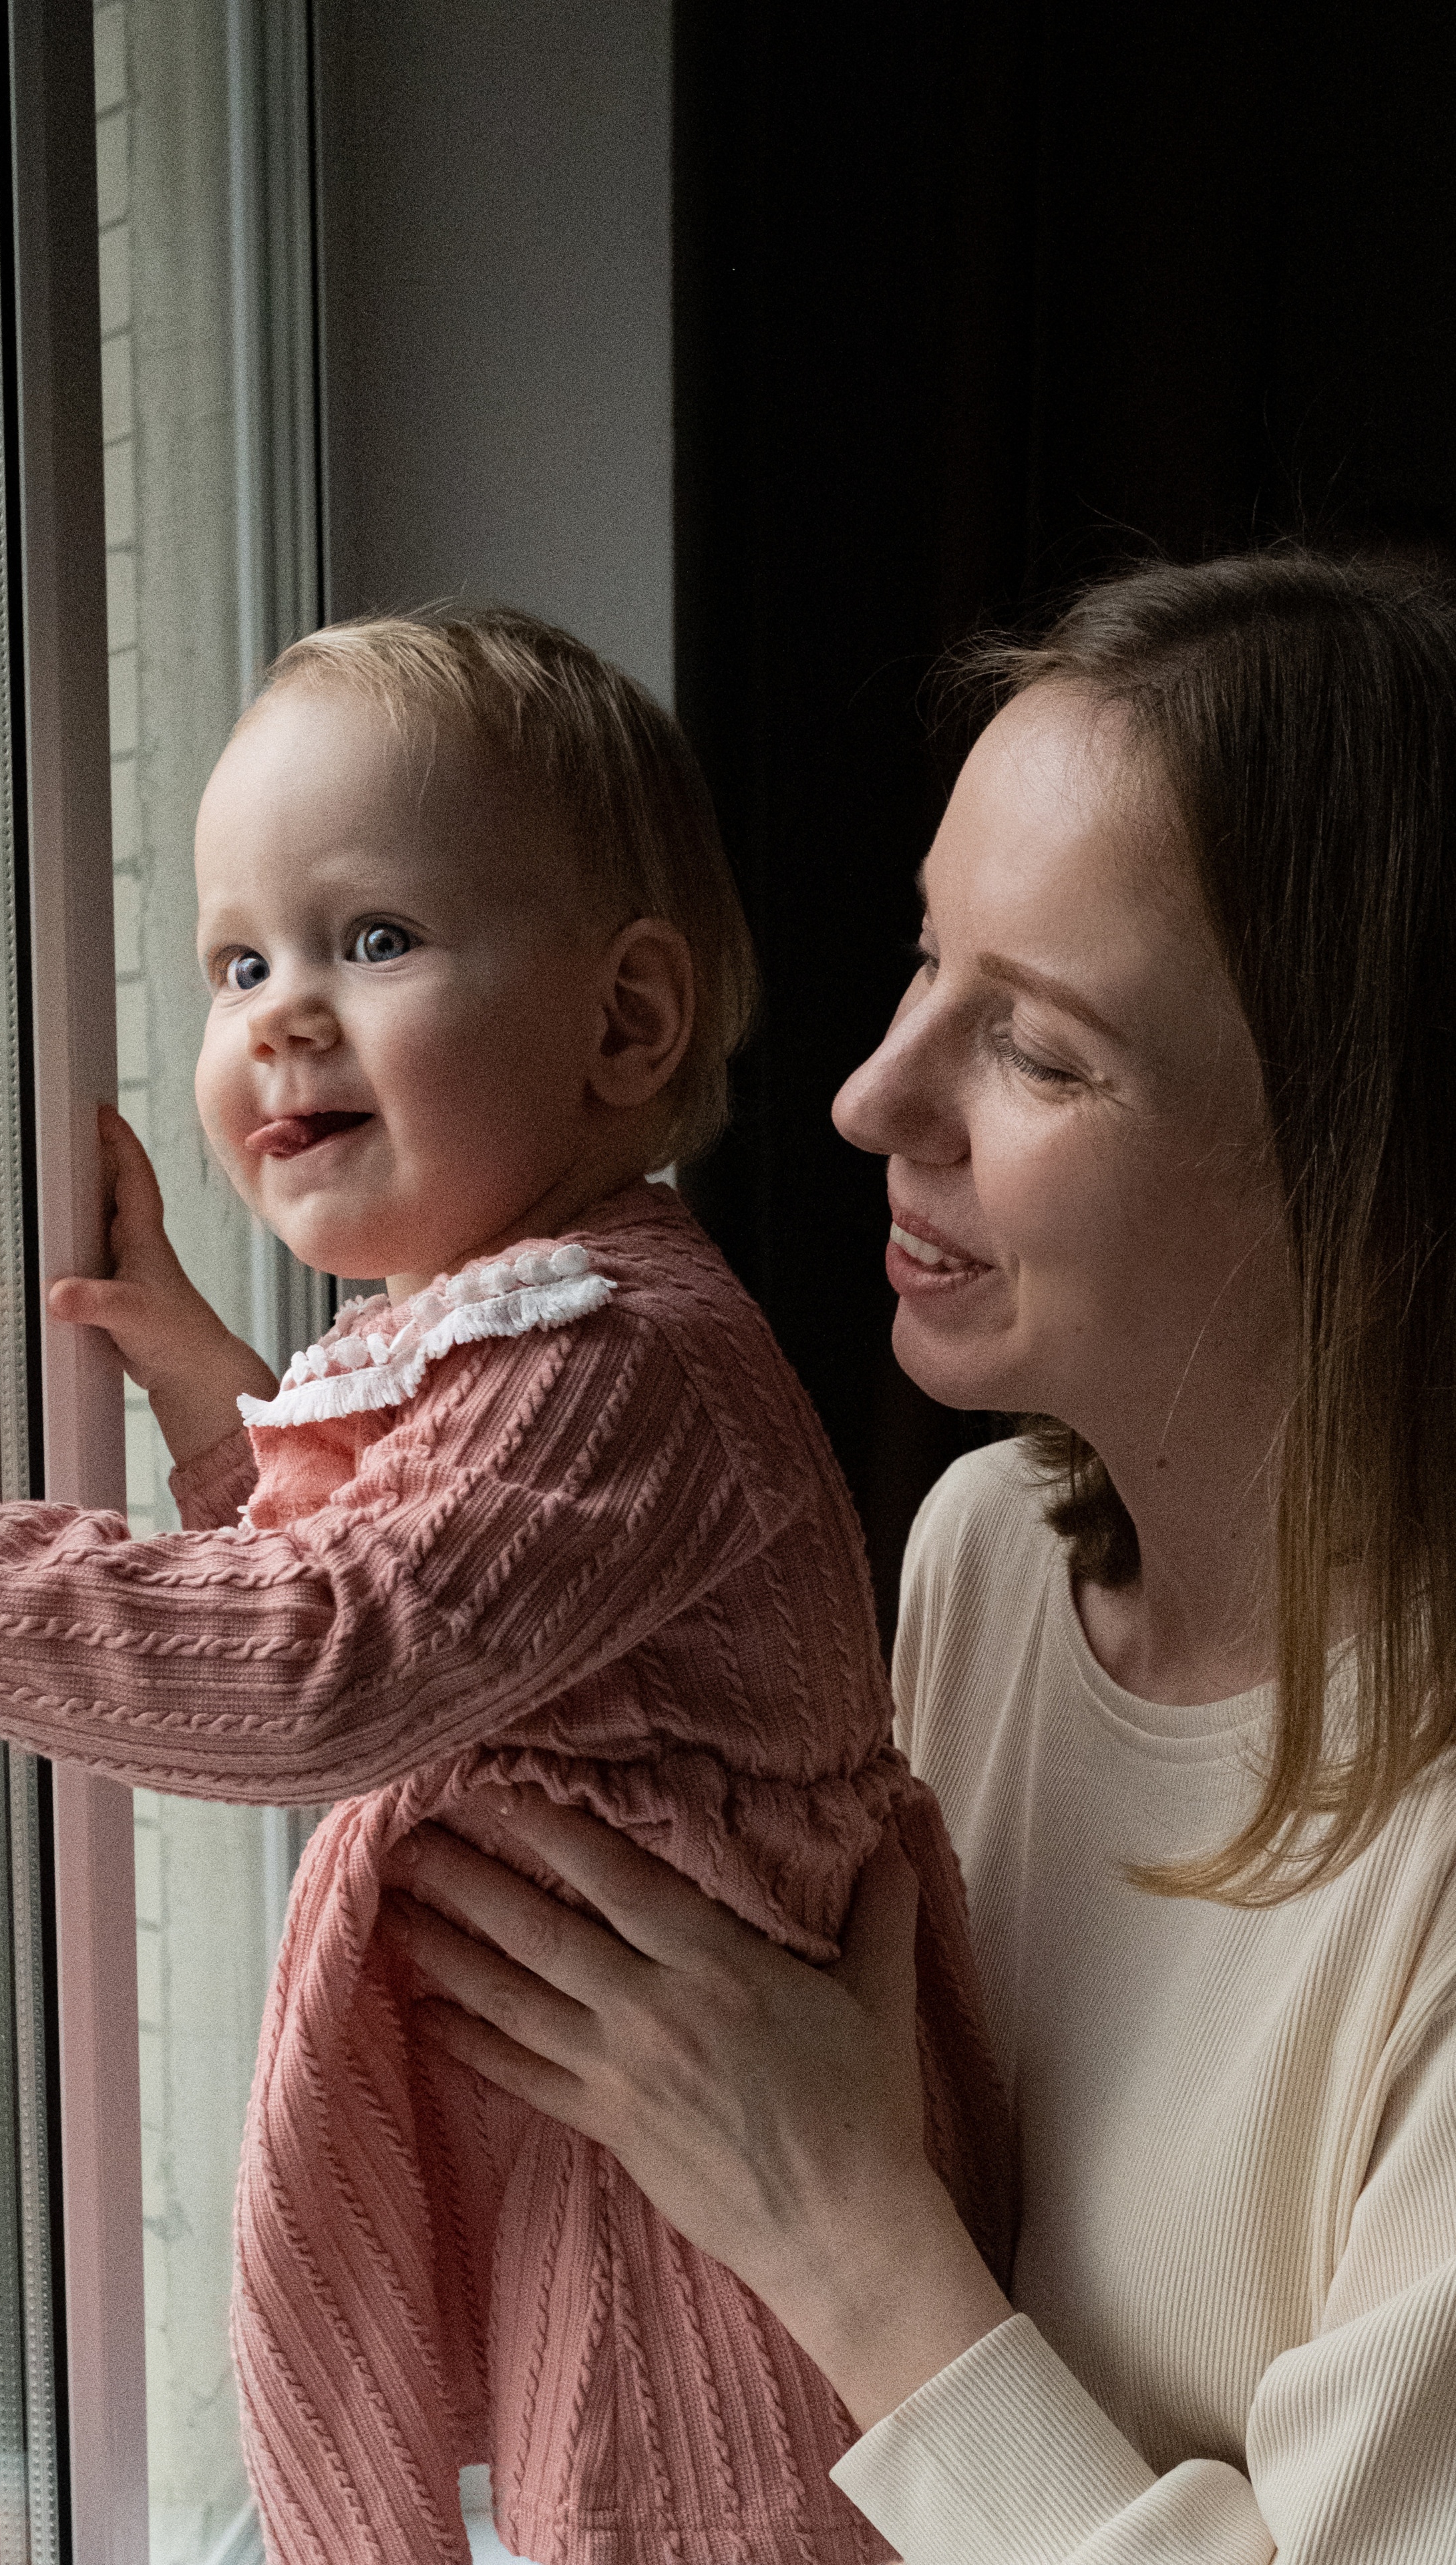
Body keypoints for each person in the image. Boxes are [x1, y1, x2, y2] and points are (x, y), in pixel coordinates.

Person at [0, 609, 1014, 2565]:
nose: (279, 1013)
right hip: (636, 2135)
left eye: (375, 941)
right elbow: (378, 1572)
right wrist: (204, 1382)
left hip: (719, 2219)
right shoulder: (511, 1331)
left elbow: (337, 1656)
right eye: (238, 961)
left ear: (625, 1025)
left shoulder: (619, 1360)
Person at [373, 549, 1456, 2564]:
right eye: (922, 959)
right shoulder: (985, 1567)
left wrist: (847, 2236)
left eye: (1041, 1052)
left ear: (1367, 1166)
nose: (873, 1097)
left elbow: (849, 2217)